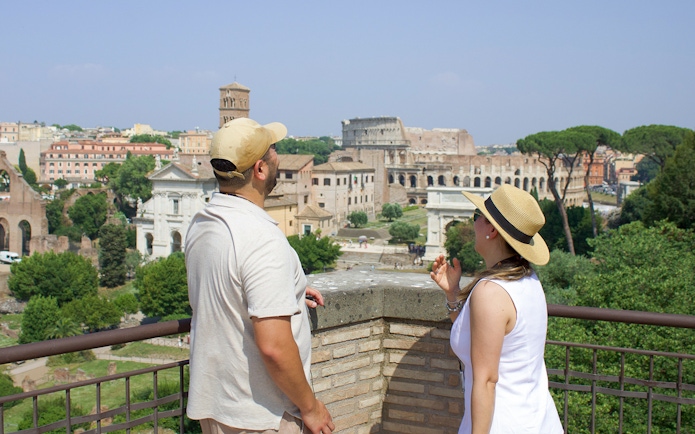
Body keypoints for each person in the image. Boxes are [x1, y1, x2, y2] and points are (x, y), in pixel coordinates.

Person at [185, 118, 334, 434]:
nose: (278, 156)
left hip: (216, 406)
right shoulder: (261, 239)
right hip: (262, 416)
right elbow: (274, 347)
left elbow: (228, 284)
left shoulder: (202, 223)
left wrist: (287, 289)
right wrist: (311, 408)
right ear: (260, 170)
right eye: (273, 151)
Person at [430, 184, 562, 434]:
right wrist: (453, 294)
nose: (475, 223)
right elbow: (484, 337)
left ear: (491, 230)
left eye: (477, 216)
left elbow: (487, 381)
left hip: (502, 425)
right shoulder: (527, 280)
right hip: (538, 421)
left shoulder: (490, 292)